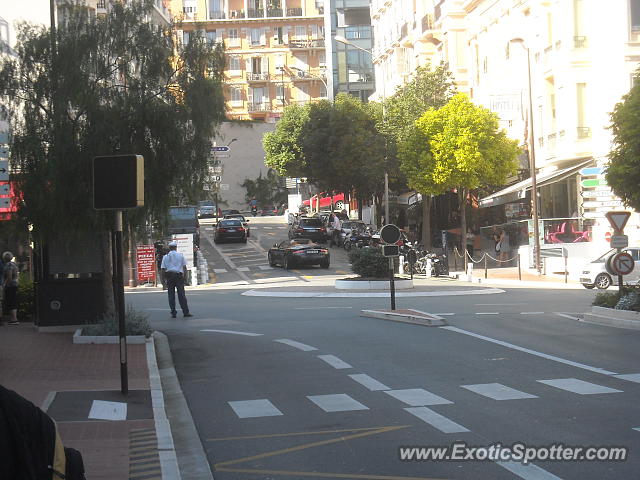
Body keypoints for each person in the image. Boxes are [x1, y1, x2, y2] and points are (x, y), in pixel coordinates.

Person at [160, 241, 192, 318]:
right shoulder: (180, 256)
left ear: (169, 248)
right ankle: (185, 312)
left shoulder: (165, 257)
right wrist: (186, 279)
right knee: (181, 295)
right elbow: (184, 268)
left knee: (171, 295)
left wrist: (163, 281)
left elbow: (162, 269)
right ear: (176, 248)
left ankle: (173, 313)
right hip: (178, 276)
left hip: (169, 276)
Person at [2, 251, 19, 325]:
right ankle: (14, 319)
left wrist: (5, 284)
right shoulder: (14, 264)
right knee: (13, 300)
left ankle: (14, 319)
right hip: (15, 284)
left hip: (11, 285)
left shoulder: (8, 265)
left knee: (11, 301)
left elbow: (9, 276)